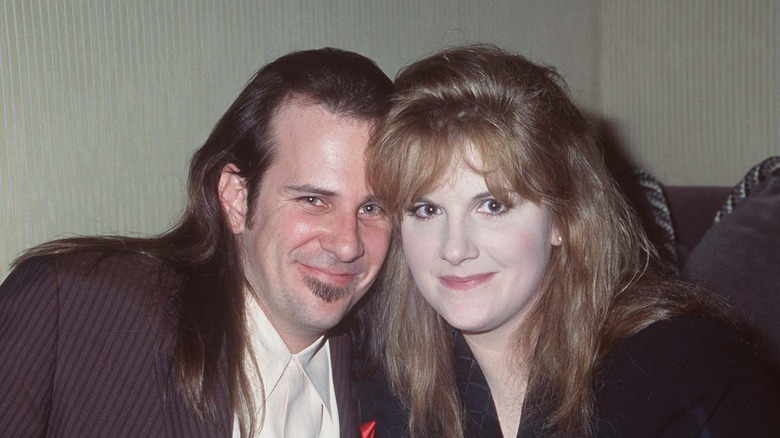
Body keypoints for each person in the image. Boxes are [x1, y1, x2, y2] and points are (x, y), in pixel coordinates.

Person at [357, 45, 780, 437]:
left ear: (563, 217)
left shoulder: (687, 368)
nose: (454, 249)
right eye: (426, 210)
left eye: (492, 206)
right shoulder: (378, 374)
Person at [0, 47, 393, 437]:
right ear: (236, 198)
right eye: (313, 200)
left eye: (372, 208)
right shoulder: (71, 312)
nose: (348, 245)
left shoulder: (395, 377)